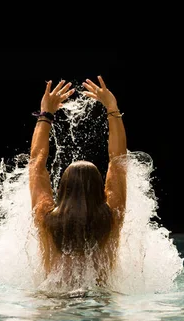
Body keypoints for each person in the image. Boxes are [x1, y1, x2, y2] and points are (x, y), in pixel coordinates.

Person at [28, 76, 127, 287]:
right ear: (101, 189)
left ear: (63, 189)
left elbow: (36, 162)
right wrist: (112, 108)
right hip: (101, 303)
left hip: (54, 302)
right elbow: (118, 162)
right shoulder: (112, 217)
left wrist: (45, 114)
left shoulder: (45, 218)